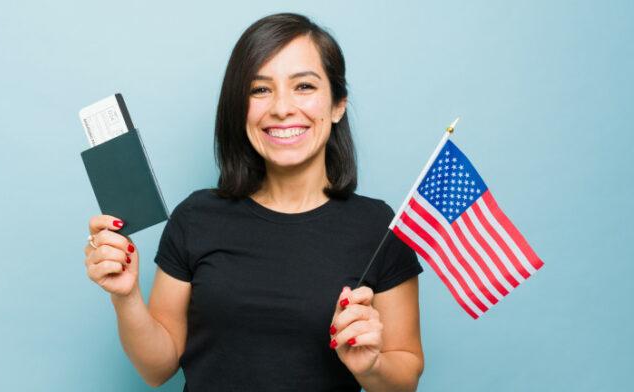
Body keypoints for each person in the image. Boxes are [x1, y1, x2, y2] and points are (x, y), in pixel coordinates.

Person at [83, 12, 424, 392]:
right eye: (260, 90)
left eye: (304, 86)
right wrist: (126, 297)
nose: (281, 108)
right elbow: (156, 369)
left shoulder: (378, 227)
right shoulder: (195, 218)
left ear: (337, 104)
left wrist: (371, 366)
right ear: (239, 108)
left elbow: (405, 375)